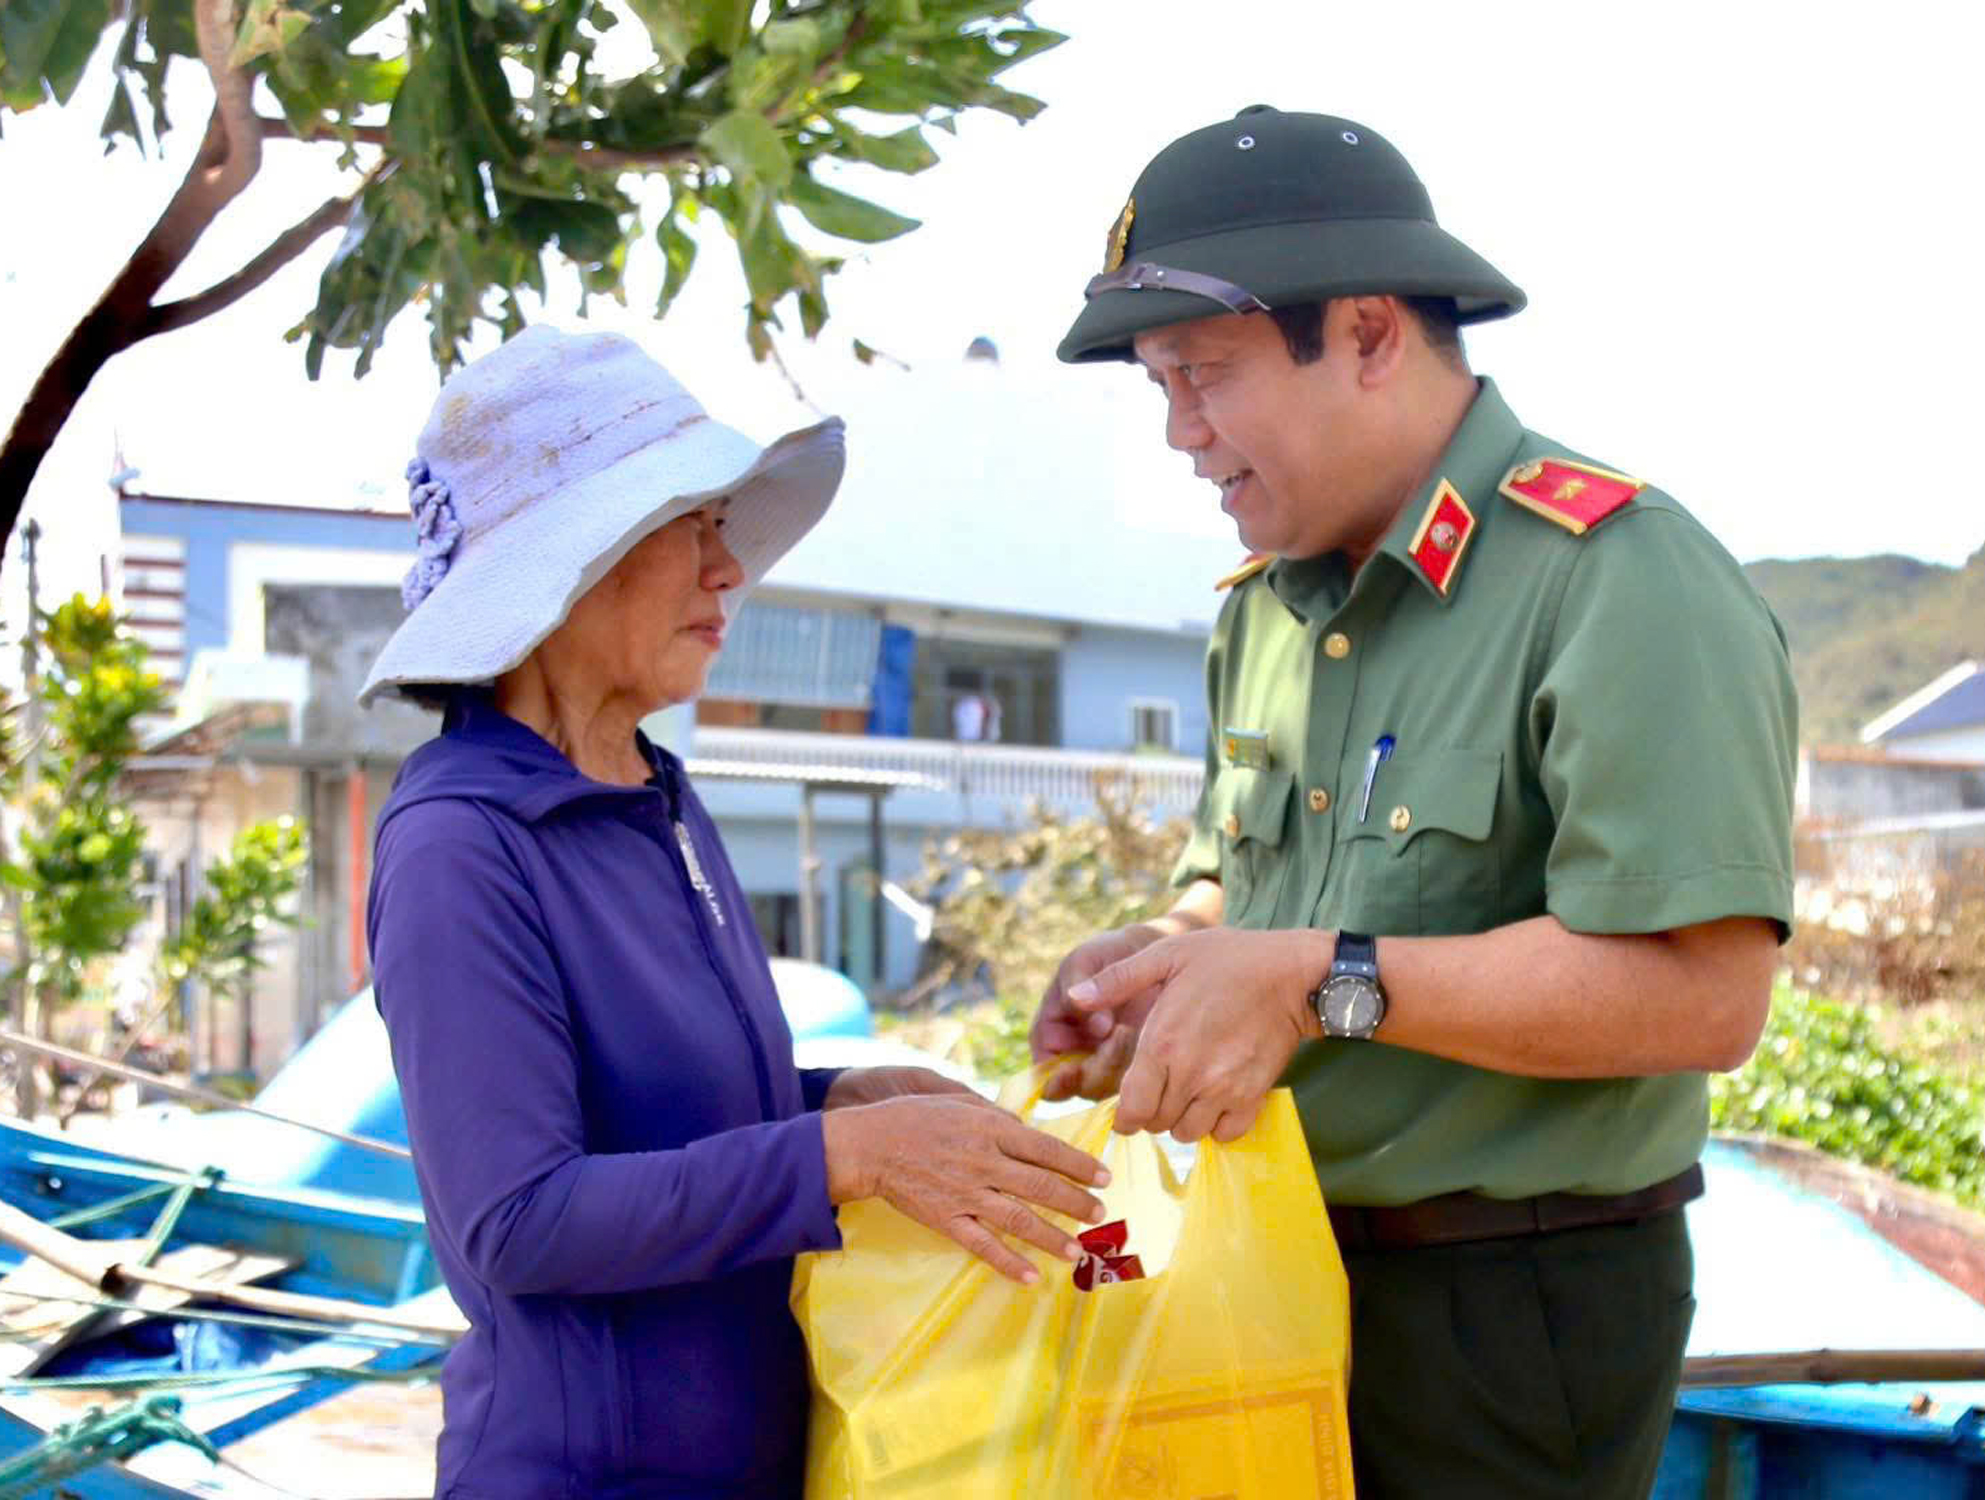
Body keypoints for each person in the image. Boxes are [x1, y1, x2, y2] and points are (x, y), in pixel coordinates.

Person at [1033, 107, 1797, 1499]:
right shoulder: (1261, 615)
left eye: (1202, 375)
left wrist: (1311, 986)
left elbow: (1703, 996)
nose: (1180, 434)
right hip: (1270, 1268)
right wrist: (1160, 968)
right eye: (1156, 387)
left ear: (1371, 336)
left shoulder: (1616, 579)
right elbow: (1237, 893)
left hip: (1506, 1309)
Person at [360, 327, 1109, 1499]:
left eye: (724, 528)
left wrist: (836, 1101)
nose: (726, 570)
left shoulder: (654, 792)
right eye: (689, 525)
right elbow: (519, 1216)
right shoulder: (460, 841)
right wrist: (843, 1155)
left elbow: (663, 1122)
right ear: (573, 558)